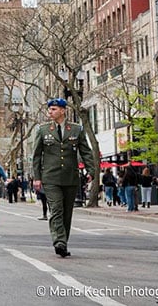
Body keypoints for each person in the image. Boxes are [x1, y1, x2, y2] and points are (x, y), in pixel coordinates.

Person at [32, 98, 96, 258]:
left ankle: (63, 243)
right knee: (56, 210)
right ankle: (59, 241)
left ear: (63, 110)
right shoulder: (43, 130)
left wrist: (91, 170)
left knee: (67, 213)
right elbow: (36, 156)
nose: (50, 112)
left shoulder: (76, 129)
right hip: (50, 178)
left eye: (53, 109)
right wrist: (37, 177)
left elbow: (86, 151)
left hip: (70, 177)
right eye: (49, 109)